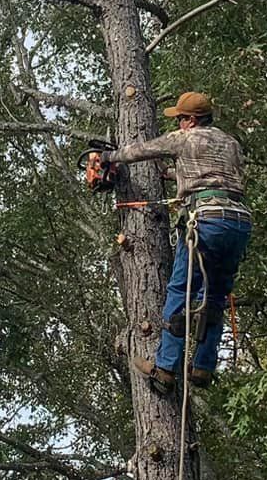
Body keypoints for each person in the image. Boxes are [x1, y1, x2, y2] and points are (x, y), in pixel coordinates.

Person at [106, 90, 251, 395]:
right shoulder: (231, 143)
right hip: (238, 222)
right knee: (214, 296)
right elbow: (217, 175)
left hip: (206, 221)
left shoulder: (184, 139)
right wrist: (174, 175)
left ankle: (166, 368)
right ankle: (202, 367)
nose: (180, 123)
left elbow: (142, 150)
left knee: (180, 291)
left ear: (191, 120)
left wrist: (109, 157)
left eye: (182, 118)